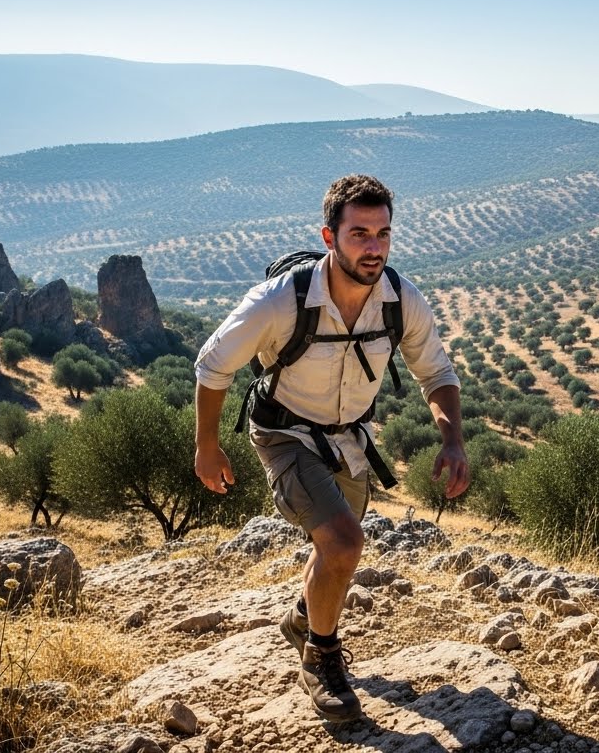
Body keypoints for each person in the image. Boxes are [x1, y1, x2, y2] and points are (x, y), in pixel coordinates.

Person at [193, 174, 469, 723]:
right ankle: (321, 660)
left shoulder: (400, 300)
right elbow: (213, 365)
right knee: (344, 542)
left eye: (383, 234)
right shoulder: (280, 301)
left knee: (335, 548)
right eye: (359, 234)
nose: (374, 247)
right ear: (329, 236)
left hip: (349, 438)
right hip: (284, 434)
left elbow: (436, 373)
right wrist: (207, 445)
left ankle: (302, 620)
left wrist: (452, 439)